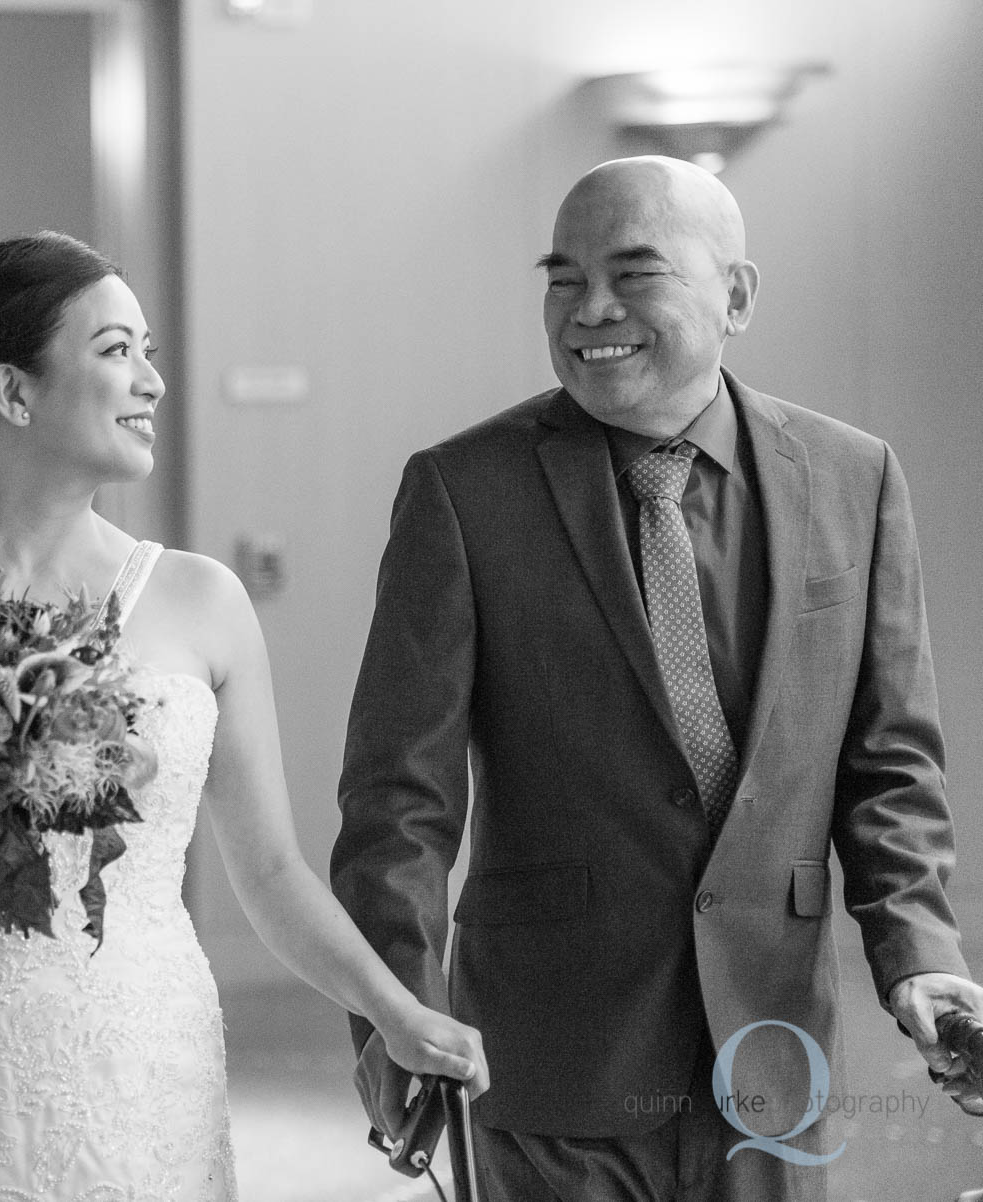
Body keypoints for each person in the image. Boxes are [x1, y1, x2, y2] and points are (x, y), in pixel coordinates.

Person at [0, 231, 488, 1201]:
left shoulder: (205, 602)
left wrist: (396, 1008)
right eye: (117, 350)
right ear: (13, 391)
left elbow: (272, 872)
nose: (152, 379)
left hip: (144, 1048)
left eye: (149, 350)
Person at [330, 155, 983, 1201]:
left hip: (776, 1049)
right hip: (547, 1053)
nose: (592, 309)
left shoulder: (854, 477)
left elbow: (889, 758)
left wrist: (919, 951)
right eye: (563, 278)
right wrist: (398, 1018)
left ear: (737, 294)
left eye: (635, 274)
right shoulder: (463, 491)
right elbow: (397, 800)